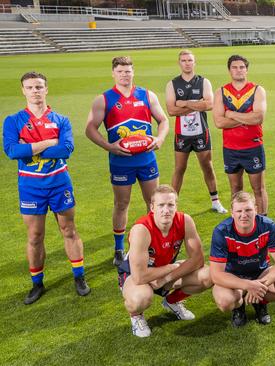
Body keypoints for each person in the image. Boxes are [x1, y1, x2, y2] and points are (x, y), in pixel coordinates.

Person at [3, 71, 91, 305]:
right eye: (30, 87)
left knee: (69, 230)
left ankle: (79, 277)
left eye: (39, 87)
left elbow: (66, 149)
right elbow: (12, 151)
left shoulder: (61, 120)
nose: (35, 91)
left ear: (46, 89)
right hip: (30, 186)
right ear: (23, 90)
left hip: (59, 183)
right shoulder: (13, 121)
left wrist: (30, 147)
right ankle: (37, 283)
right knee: (34, 236)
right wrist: (49, 143)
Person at [85, 56, 169, 266]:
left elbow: (164, 120)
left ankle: (153, 243)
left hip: (147, 159)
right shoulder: (103, 99)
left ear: (133, 72)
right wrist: (109, 146)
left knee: (153, 203)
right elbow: (89, 129)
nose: (125, 75)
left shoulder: (147, 95)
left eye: (128, 71)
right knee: (121, 204)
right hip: (120, 161)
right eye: (120, 71)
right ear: (113, 73)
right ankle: (119, 247)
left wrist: (160, 138)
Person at [117, 185, 213, 337]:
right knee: (141, 298)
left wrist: (167, 277)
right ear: (152, 207)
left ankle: (172, 301)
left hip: (165, 271)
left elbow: (198, 259)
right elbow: (139, 276)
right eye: (161, 205)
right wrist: (172, 267)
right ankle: (136, 316)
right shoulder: (141, 229)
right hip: (136, 275)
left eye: (170, 205)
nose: (166, 210)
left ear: (176, 206)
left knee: (208, 275)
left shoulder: (185, 220)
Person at [210, 191, 275, 327]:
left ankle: (260, 302)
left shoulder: (268, 226)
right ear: (232, 213)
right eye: (239, 211)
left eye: (248, 210)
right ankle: (238, 307)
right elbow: (216, 275)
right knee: (225, 301)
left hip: (261, 273)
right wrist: (248, 286)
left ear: (256, 210)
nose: (243, 215)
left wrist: (259, 285)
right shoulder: (222, 231)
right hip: (234, 277)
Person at [165, 49, 227, 213]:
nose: (187, 63)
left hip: (201, 133)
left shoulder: (204, 82)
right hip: (182, 135)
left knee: (207, 166)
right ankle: (172, 205)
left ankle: (215, 201)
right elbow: (171, 110)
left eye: (190, 60)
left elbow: (208, 105)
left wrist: (183, 103)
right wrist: (195, 103)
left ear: (195, 62)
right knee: (179, 169)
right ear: (179, 63)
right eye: (184, 60)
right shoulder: (172, 84)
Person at [213, 55, 268, 215]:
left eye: (242, 67)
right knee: (236, 189)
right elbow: (219, 122)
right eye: (235, 67)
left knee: (258, 188)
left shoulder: (257, 90)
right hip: (230, 149)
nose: (238, 70)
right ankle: (239, 220)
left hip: (253, 147)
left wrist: (230, 113)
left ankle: (263, 221)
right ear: (229, 70)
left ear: (247, 70)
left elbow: (258, 118)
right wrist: (246, 118)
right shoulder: (221, 92)